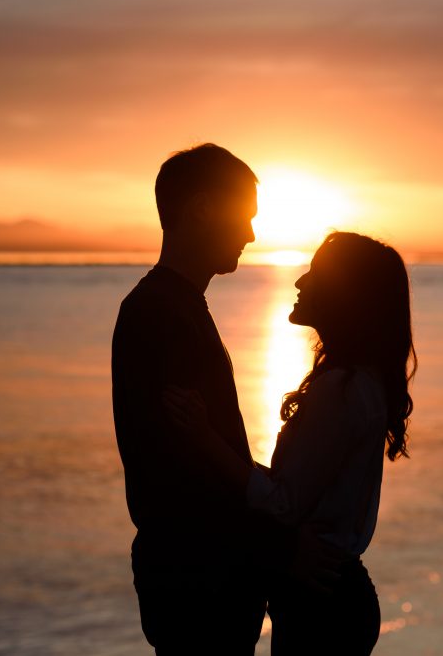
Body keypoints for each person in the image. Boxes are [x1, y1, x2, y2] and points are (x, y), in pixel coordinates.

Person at [112, 143, 334, 655]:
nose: (251, 235)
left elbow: (210, 451)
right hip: (195, 580)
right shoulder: (160, 314)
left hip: (202, 573)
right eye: (244, 217)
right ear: (202, 210)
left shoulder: (175, 307)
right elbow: (185, 465)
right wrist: (284, 545)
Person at [165, 231, 416, 655]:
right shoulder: (361, 382)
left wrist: (204, 439)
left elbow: (284, 503)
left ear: (345, 294)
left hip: (321, 603)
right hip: (334, 593)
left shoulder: (342, 388)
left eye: (315, 273)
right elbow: (299, 488)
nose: (300, 282)